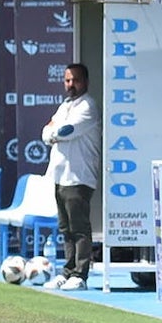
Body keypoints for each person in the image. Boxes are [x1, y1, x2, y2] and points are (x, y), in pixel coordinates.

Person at [41, 64, 101, 292]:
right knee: (65, 228)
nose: (70, 85)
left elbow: (65, 130)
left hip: (79, 176)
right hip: (60, 176)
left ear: (85, 81)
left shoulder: (88, 106)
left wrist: (53, 133)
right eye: (67, 80)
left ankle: (80, 274)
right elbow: (46, 131)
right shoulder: (65, 105)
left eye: (74, 80)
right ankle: (67, 270)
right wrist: (52, 133)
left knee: (79, 228)